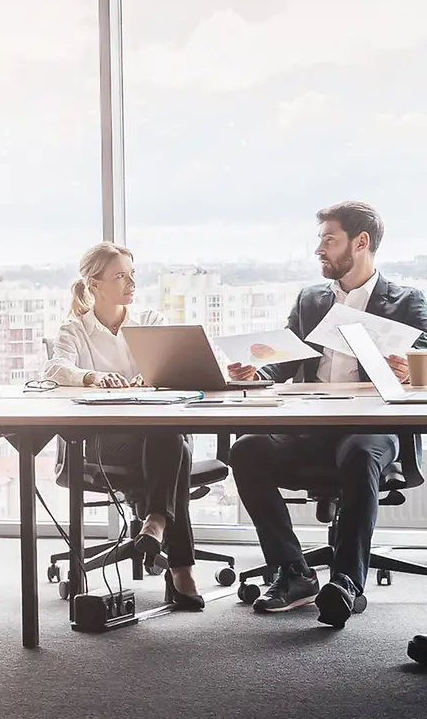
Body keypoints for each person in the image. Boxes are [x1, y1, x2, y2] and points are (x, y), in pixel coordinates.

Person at [226, 201, 427, 628]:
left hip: (374, 428)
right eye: (319, 240)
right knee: (246, 450)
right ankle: (293, 572)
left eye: (329, 239)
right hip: (311, 426)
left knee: (358, 452)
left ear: (361, 242)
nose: (319, 249)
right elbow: (282, 361)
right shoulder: (310, 299)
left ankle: (347, 584)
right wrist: (255, 369)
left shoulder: (407, 301)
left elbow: (425, 361)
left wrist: (413, 369)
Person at [45, 242, 204, 609]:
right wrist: (92, 377)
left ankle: (154, 524)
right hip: (105, 443)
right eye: (120, 276)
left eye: (133, 274)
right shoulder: (76, 329)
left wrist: (154, 379)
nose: (131, 282)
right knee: (176, 448)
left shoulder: (150, 322)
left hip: (158, 431)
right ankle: (178, 564)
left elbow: (174, 369)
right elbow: (54, 369)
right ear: (95, 284)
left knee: (169, 438)